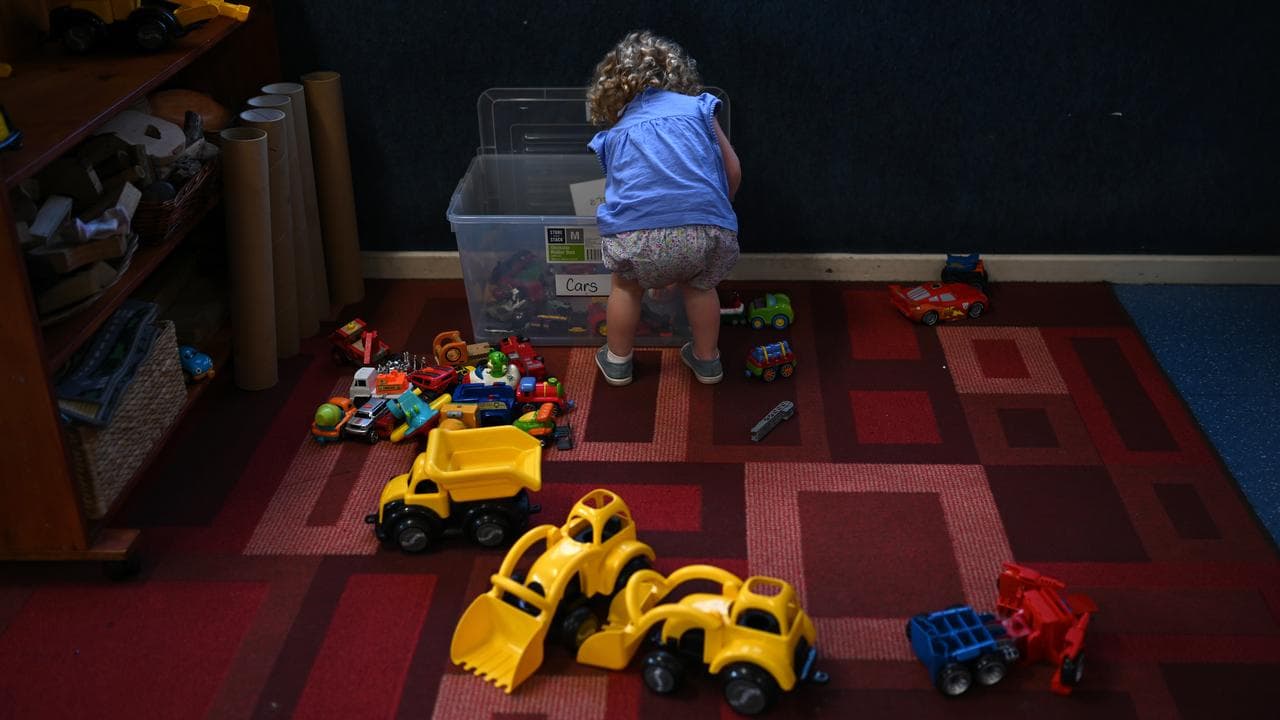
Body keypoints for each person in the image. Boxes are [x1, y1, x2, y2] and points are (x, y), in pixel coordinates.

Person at [586, 30, 742, 386]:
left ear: (614, 86)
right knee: (701, 286)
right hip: (706, 230)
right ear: (678, 76)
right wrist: (718, 210)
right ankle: (707, 362)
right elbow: (733, 169)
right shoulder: (699, 107)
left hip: (637, 238)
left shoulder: (616, 130)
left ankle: (618, 361)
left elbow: (622, 192)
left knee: (625, 288)